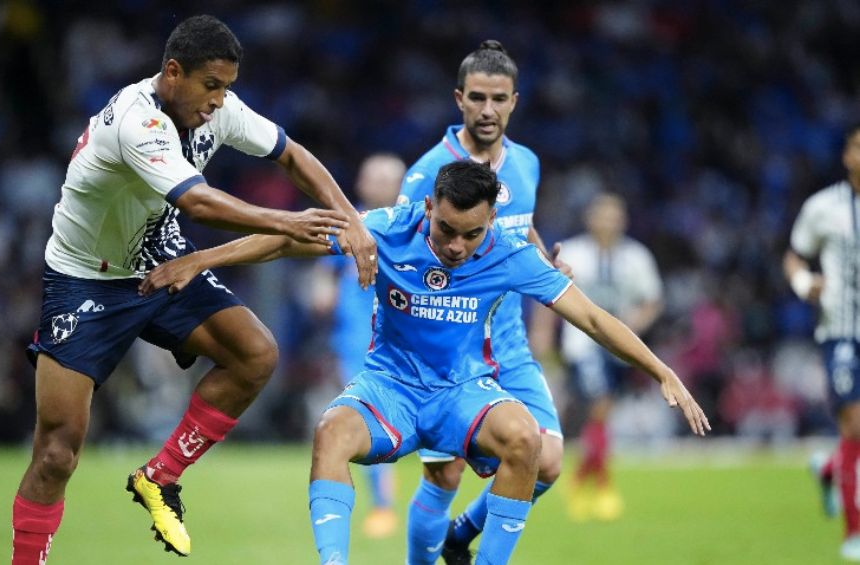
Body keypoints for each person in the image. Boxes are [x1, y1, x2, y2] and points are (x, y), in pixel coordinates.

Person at [140, 160, 711, 565]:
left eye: (472, 234)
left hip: (464, 392)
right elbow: (288, 241)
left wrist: (661, 369)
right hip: (389, 388)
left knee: (526, 440)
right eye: (446, 229)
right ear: (429, 206)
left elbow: (591, 318)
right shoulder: (388, 228)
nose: (457, 246)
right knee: (331, 433)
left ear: (490, 221)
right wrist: (202, 258)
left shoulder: (510, 255)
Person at [10, 15, 377, 564]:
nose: (219, 101)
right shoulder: (137, 121)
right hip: (85, 277)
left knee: (255, 353)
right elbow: (198, 202)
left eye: (227, 87)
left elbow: (292, 155)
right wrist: (286, 221)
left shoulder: (218, 109)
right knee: (57, 453)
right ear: (173, 73)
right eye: (211, 86)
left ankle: (160, 477)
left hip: (159, 254)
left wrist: (352, 220)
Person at [395, 40, 571, 564]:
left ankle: (460, 535)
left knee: (549, 461)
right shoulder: (429, 171)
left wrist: (544, 263)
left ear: (515, 100)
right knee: (443, 472)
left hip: (508, 343)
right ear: (459, 100)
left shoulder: (528, 164)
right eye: (477, 98)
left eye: (498, 98)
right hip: (445, 350)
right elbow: (398, 253)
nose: (487, 110)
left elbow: (520, 228)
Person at [529, 193, 663, 522]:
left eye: (614, 216)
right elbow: (548, 293)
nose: (608, 222)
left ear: (623, 221)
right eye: (602, 216)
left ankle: (579, 481)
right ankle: (601, 485)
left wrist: (633, 326)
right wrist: (542, 335)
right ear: (590, 219)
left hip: (618, 349)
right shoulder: (573, 251)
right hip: (583, 344)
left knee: (600, 416)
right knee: (600, 405)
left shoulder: (636, 257)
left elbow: (652, 300)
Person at [309, 153, 407, 538]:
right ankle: (383, 506)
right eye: (375, 178)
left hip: (410, 341)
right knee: (369, 417)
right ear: (361, 185)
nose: (382, 185)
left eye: (390, 178)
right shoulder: (346, 226)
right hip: (357, 343)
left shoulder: (417, 227)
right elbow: (322, 276)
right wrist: (323, 292)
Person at [784, 123, 860, 562]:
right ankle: (854, 532)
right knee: (854, 425)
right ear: (847, 156)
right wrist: (801, 281)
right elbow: (795, 252)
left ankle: (830, 469)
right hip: (841, 331)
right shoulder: (824, 207)